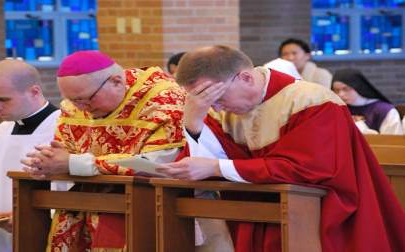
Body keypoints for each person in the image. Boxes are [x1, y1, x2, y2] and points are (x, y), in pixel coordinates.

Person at [156, 45, 405, 252]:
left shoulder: (311, 102)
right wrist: (194, 122)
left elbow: (309, 170)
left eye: (217, 97)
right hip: (255, 216)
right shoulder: (223, 113)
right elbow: (203, 168)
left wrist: (217, 166)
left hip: (318, 217)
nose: (217, 108)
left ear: (245, 77)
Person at [21, 50, 186, 251]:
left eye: (86, 99)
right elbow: (64, 152)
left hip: (150, 208)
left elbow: (156, 164)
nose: (82, 108)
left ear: (116, 81)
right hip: (86, 205)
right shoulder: (75, 106)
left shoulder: (164, 98)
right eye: (74, 101)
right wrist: (48, 164)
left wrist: (72, 163)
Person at [0, 59, 61, 252]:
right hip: (1, 238)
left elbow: (69, 191)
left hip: (45, 234)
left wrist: (30, 218)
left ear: (34, 92)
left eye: (2, 100)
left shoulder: (62, 128)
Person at [332, 69, 403, 135]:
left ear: (358, 87)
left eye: (346, 89)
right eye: (336, 90)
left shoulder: (384, 110)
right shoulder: (336, 109)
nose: (340, 94)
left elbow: (393, 142)